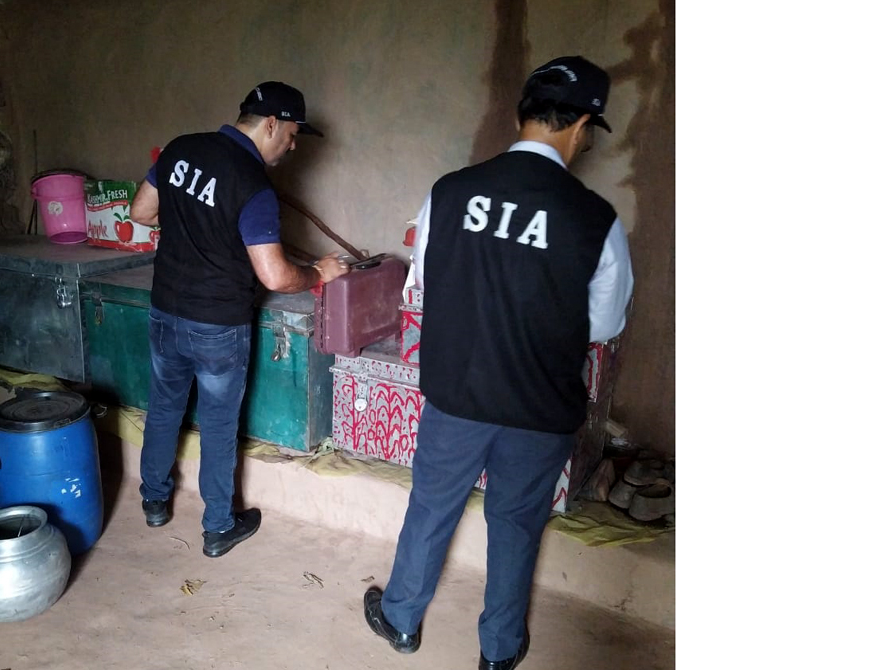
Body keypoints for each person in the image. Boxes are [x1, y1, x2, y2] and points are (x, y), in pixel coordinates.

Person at [362, 56, 635, 669]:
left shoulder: (450, 192)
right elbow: (603, 325)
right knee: (516, 525)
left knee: (431, 505)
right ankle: (499, 651)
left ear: (520, 116)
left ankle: (402, 619)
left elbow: (429, 282)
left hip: (457, 396)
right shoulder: (597, 221)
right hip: (540, 410)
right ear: (583, 126)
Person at [128, 81, 350, 558]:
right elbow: (273, 274)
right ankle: (217, 527)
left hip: (166, 311)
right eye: (292, 134)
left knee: (164, 408)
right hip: (218, 326)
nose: (293, 146)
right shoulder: (253, 185)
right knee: (218, 424)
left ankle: (153, 502)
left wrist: (194, 233)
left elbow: (141, 212)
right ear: (271, 123)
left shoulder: (181, 149)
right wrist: (319, 272)